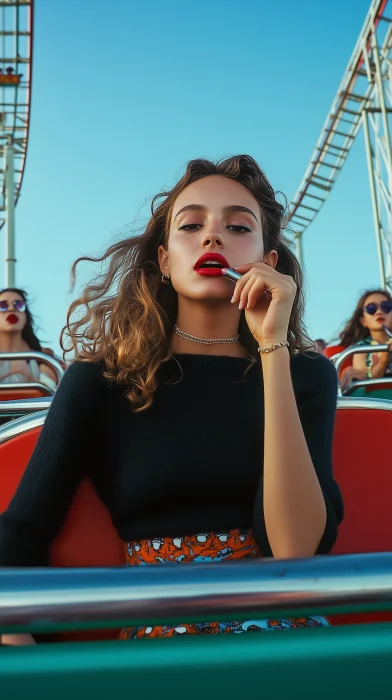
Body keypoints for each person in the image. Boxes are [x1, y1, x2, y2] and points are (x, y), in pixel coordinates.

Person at [0, 155, 343, 644]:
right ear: (163, 261)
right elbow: (19, 533)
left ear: (269, 265)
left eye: (239, 226)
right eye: (192, 224)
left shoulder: (307, 374)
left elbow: (292, 552)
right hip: (165, 636)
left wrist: (274, 348)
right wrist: (25, 669)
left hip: (282, 631)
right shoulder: (101, 379)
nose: (212, 237)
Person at [0, 288, 57, 391]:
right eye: (3, 305)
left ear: (25, 315)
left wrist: (29, 376)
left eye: (19, 305)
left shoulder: (44, 358)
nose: (12, 309)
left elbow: (50, 395)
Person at [339, 289, 392, 392]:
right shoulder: (359, 349)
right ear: (363, 320)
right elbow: (365, 386)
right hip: (377, 399)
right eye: (371, 308)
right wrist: (383, 361)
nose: (379, 311)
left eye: (386, 307)